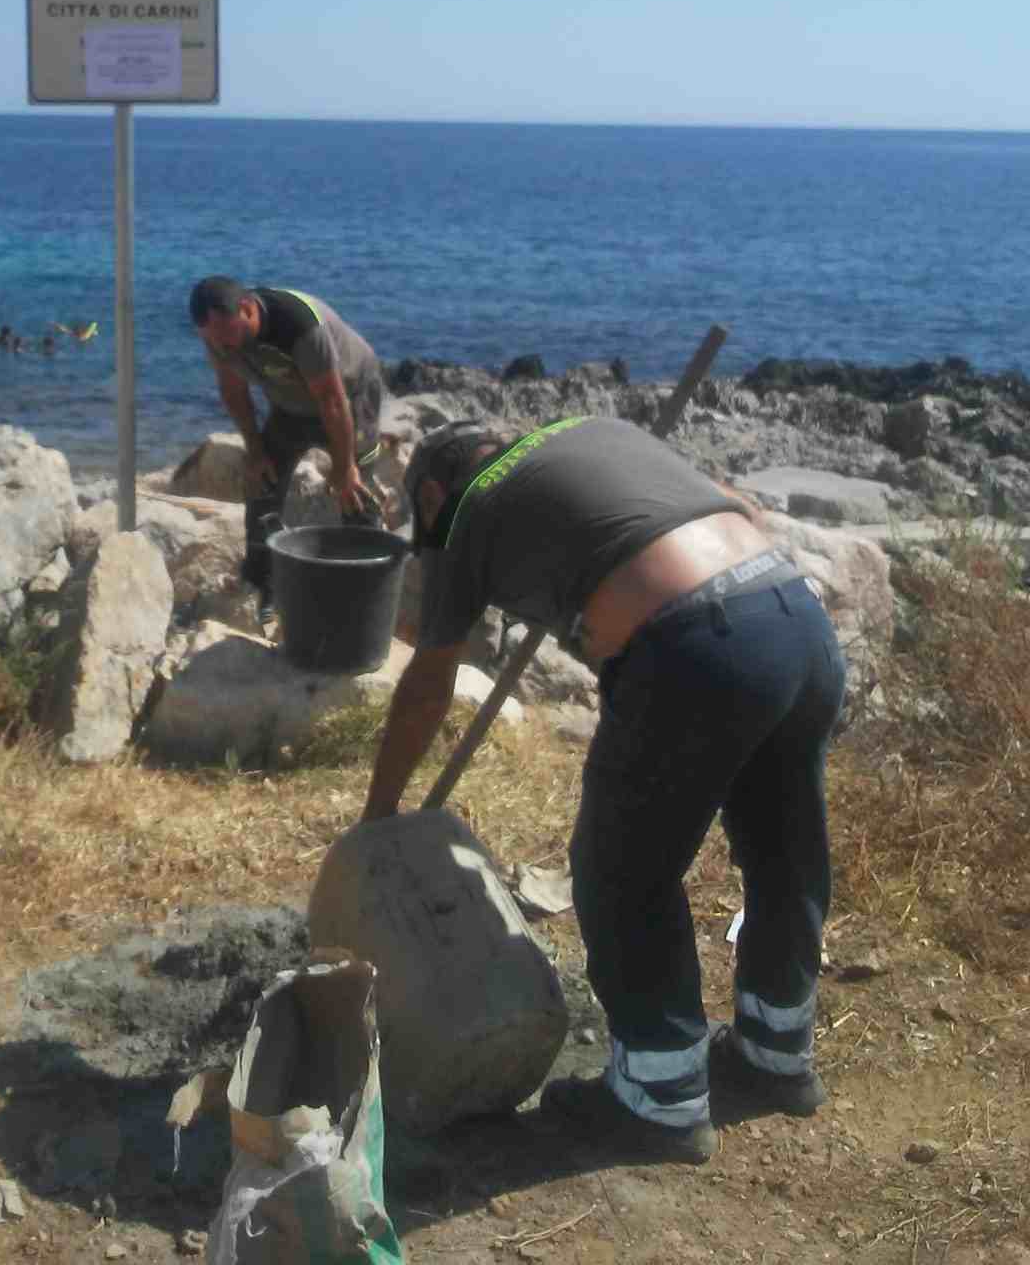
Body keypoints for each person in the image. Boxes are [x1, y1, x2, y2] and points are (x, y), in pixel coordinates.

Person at [361, 413, 846, 1167]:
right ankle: (776, 1055)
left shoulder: (468, 508)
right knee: (782, 847)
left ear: (431, 492)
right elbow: (739, 507)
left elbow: (428, 683)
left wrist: (379, 813)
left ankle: (660, 1101)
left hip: (700, 644)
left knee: (624, 872)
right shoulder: (593, 429)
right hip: (797, 619)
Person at [188, 277, 386, 597]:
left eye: (228, 336)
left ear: (247, 309)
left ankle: (362, 586)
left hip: (349, 394)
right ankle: (260, 584)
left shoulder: (297, 324)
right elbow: (233, 390)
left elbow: (332, 401)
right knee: (261, 480)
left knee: (353, 489)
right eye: (213, 340)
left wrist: (345, 465)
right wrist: (254, 449)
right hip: (290, 401)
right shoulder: (218, 336)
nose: (225, 347)